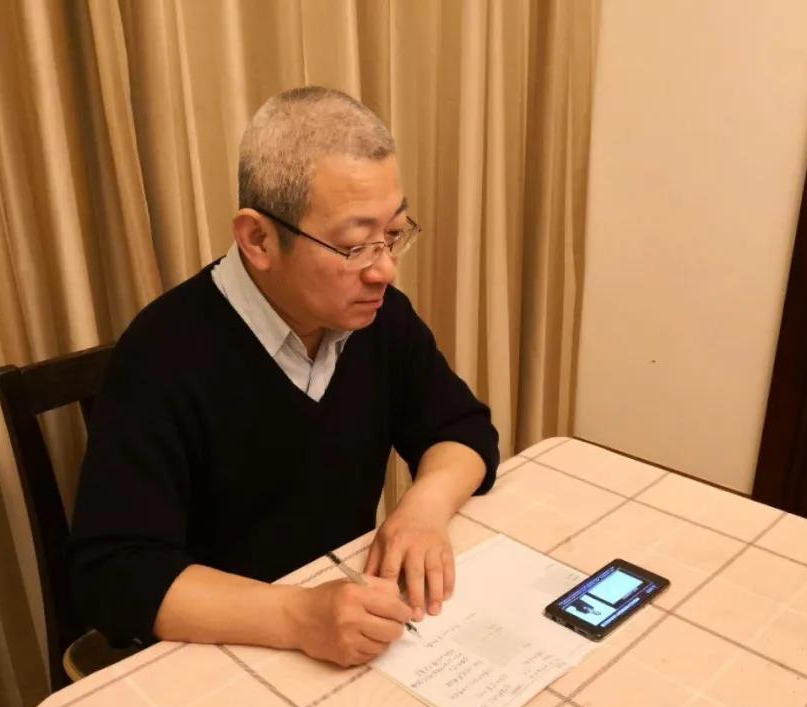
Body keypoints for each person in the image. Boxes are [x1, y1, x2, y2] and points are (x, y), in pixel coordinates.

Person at [70, 86, 499, 668]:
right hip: (220, 645)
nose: (385, 271)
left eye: (395, 234)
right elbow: (115, 573)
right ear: (259, 239)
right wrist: (297, 616)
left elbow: (464, 429)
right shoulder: (162, 352)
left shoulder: (378, 319)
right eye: (355, 246)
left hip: (342, 612)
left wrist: (424, 508)